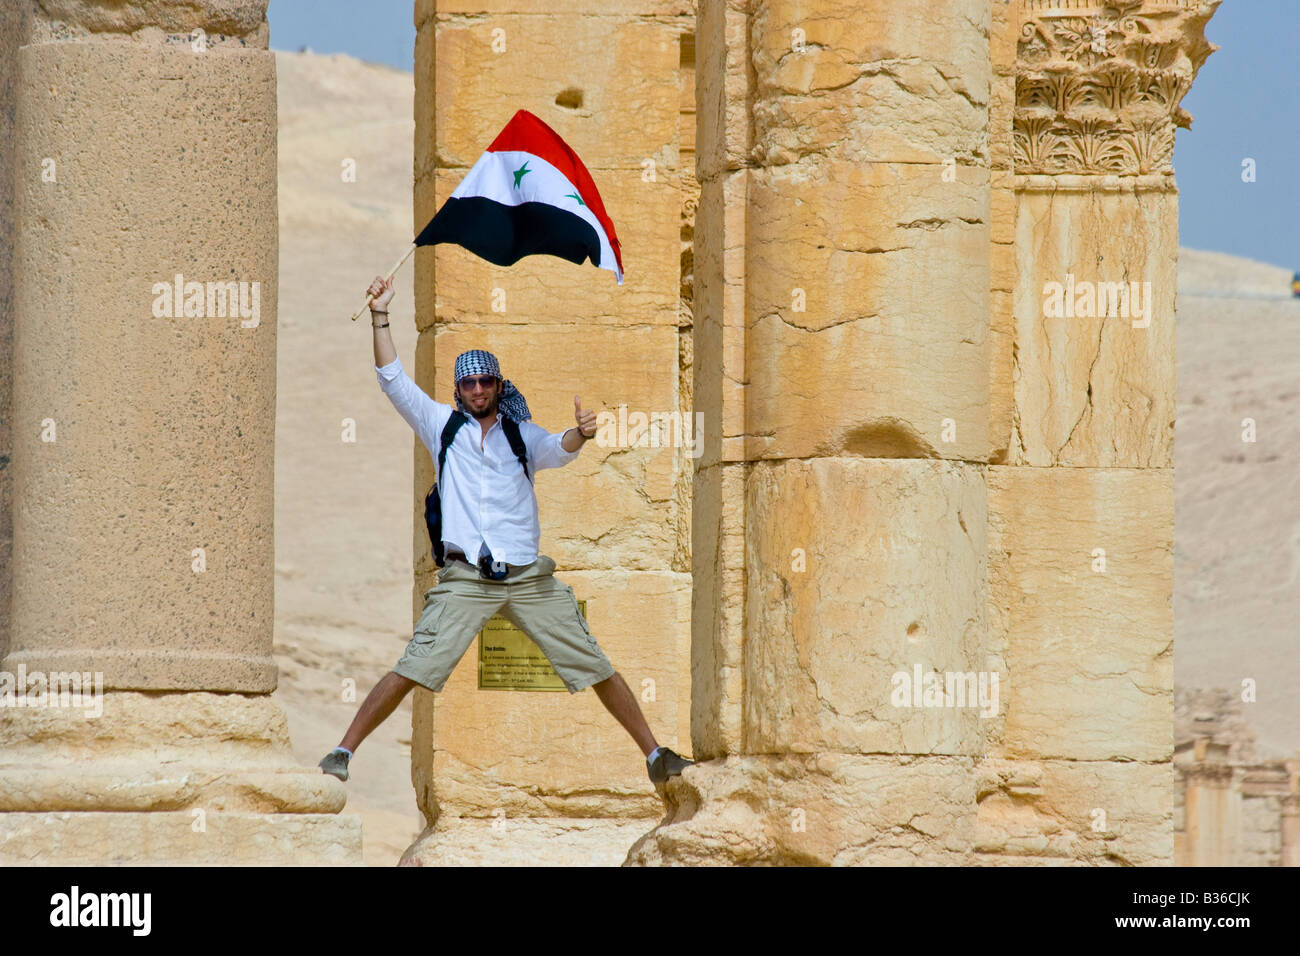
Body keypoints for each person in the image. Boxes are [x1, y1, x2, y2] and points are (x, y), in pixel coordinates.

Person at [319, 275, 693, 788]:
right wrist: (381, 315)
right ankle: (342, 751)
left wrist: (581, 432)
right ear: (458, 390)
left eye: (486, 382)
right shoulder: (441, 426)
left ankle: (654, 756)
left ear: (498, 386)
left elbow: (558, 449)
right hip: (466, 577)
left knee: (596, 663)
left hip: (526, 577)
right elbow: (391, 378)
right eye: (468, 384)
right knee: (414, 666)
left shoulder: (521, 436)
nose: (477, 390)